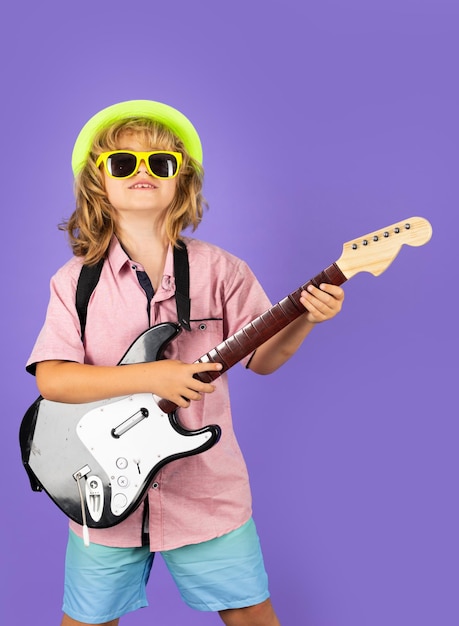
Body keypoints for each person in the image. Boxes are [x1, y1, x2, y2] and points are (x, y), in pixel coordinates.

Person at [26, 100, 345, 626]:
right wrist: (156, 376)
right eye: (124, 163)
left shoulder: (223, 271)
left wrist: (306, 319)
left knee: (250, 615)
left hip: (206, 490)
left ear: (184, 181)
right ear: (97, 184)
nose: (143, 172)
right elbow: (52, 379)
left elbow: (263, 360)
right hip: (101, 492)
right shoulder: (74, 283)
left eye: (161, 163)